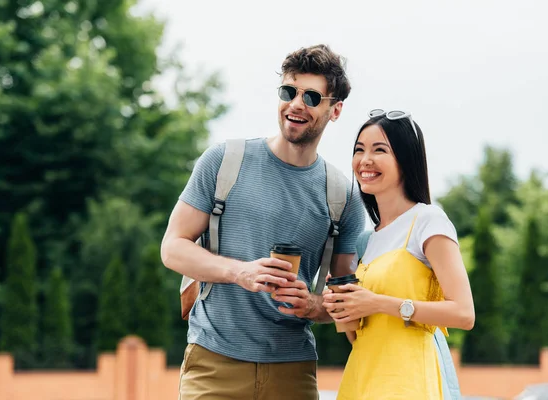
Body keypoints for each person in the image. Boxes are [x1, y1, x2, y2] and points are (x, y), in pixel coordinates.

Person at [160, 44, 365, 400]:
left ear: (335, 110)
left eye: (312, 96)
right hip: (213, 363)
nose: (297, 104)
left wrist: (314, 305)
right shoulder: (224, 161)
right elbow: (172, 247)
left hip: (293, 371)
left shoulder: (343, 195)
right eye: (289, 92)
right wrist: (240, 272)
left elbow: (343, 297)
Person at [323, 110, 475, 399]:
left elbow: (464, 314)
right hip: (362, 378)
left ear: (405, 160)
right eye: (359, 149)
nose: (365, 160)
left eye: (379, 150)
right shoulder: (368, 241)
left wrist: (378, 302)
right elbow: (360, 335)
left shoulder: (428, 220)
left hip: (408, 383)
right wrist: (343, 307)